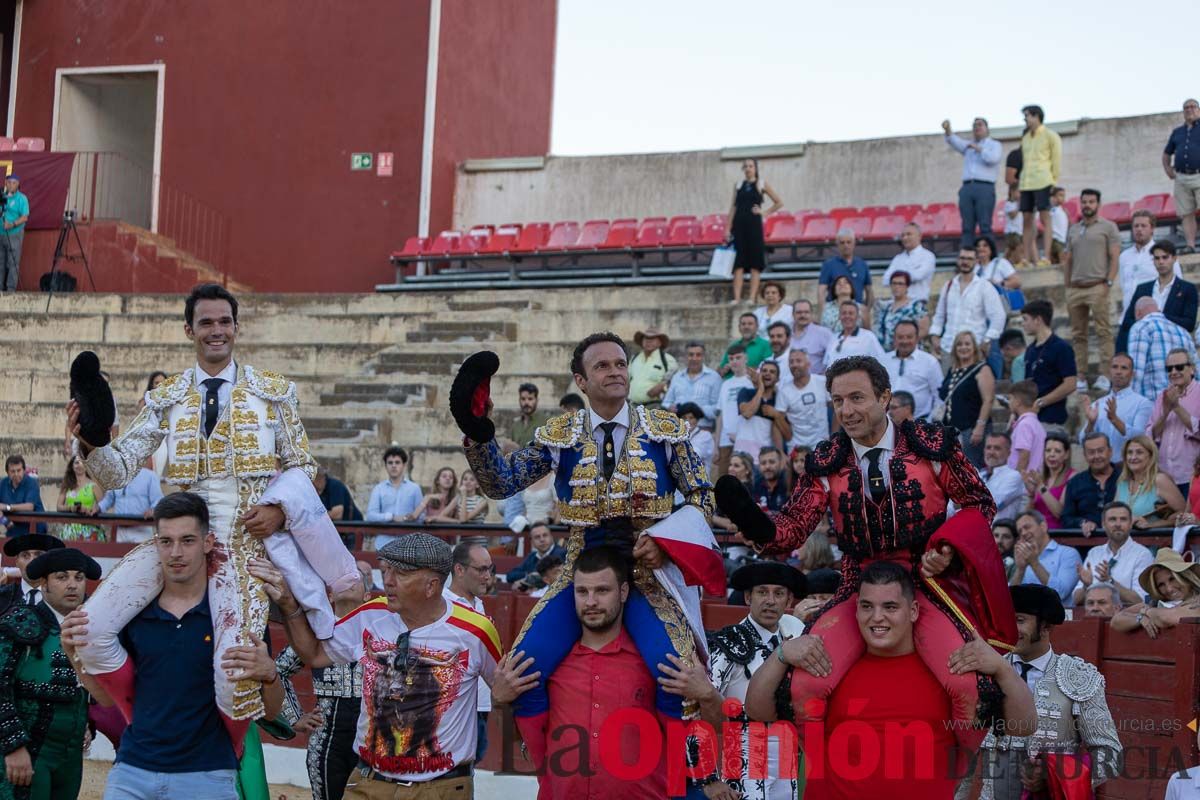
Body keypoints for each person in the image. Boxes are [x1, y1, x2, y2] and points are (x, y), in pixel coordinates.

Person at [66, 284, 355, 741]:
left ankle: (227, 758)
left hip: (244, 546)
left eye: (224, 322)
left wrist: (279, 510)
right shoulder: (167, 397)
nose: (216, 331)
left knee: (234, 672)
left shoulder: (273, 392)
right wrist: (91, 441)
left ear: (236, 328)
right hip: (179, 537)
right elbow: (118, 470)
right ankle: (146, 725)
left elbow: (303, 467)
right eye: (206, 323)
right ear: (189, 330)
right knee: (90, 631)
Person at [720, 355, 1018, 757]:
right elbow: (792, 530)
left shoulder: (931, 446)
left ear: (884, 396)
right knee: (807, 685)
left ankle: (955, 778)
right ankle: (827, 776)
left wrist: (945, 549)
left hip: (925, 584)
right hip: (858, 586)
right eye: (838, 400)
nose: (846, 410)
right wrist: (757, 527)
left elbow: (978, 504)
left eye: (857, 398)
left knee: (967, 687)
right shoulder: (827, 461)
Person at [452, 333, 725, 757]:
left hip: (648, 572)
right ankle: (550, 769)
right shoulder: (559, 434)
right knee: (524, 668)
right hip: (582, 570)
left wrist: (666, 543)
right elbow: (501, 483)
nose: (615, 371)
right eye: (602, 366)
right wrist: (477, 432)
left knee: (677, 675)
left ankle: (677, 778)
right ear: (581, 380)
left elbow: (702, 496)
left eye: (620, 363)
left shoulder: (666, 429)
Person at [745, 561, 1035, 800]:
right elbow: (757, 711)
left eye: (890, 607)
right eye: (867, 606)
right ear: (855, 609)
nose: (877, 617)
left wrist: (1002, 668)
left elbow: (1024, 727)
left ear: (913, 611)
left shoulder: (949, 672)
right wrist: (780, 654)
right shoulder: (828, 667)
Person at [60, 493, 285, 800]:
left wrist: (270, 674)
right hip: (133, 771)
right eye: (166, 541)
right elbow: (107, 698)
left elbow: (271, 710)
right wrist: (74, 654)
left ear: (207, 543)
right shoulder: (133, 615)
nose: (175, 552)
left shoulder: (235, 618)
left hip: (207, 776)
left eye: (187, 540)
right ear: (156, 544)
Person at [260, 533, 499, 797]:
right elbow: (315, 655)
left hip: (440, 787)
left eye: (401, 574)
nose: (388, 581)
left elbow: (501, 689)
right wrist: (288, 605)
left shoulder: (475, 630)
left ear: (431, 585)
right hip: (369, 782)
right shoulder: (371, 614)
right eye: (386, 571)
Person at [491, 546, 675, 799]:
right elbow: (515, 739)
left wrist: (708, 696)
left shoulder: (652, 663)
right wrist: (499, 701)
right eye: (582, 591)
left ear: (623, 592)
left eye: (602, 590)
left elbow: (689, 733)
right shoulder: (548, 664)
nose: (591, 602)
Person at [658, 562, 806, 800]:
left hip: (786, 753)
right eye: (762, 592)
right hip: (744, 752)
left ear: (789, 601)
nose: (770, 600)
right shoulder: (730, 642)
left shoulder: (792, 639)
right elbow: (697, 706)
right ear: (748, 597)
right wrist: (708, 778)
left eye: (778, 594)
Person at [979, 584, 1121, 800]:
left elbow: (1110, 755)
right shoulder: (984, 672)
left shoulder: (1078, 676)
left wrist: (1054, 775)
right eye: (1006, 619)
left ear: (1045, 627)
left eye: (1019, 620)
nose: (1008, 628)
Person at [0, 548, 98, 800]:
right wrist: (13, 747)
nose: (72, 585)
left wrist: (89, 723)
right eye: (62, 577)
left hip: (70, 754)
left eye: (78, 577)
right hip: (29, 752)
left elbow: (93, 689)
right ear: (44, 583)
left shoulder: (95, 626)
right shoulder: (18, 622)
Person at [275, 574, 368, 800]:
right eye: (341, 580)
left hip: (372, 739)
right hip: (327, 740)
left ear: (367, 596)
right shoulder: (317, 632)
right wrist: (294, 716)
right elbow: (278, 671)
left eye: (354, 580)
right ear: (330, 595)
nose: (347, 583)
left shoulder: (382, 631)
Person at [1062, 188, 1121, 391]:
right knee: (1078, 335)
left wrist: (1109, 283)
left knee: (1104, 332)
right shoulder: (1073, 229)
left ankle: (1106, 374)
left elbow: (1114, 257)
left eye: (1091, 202)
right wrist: (1067, 285)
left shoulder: (1108, 227)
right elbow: (1067, 259)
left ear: (1098, 204)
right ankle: (1081, 376)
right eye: (1084, 201)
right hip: (1076, 289)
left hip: (1098, 286)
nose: (1087, 205)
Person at [443, 543, 495, 763]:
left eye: (490, 569)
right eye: (481, 570)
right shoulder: (442, 605)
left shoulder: (478, 605)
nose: (488, 577)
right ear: (459, 570)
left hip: (479, 704)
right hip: (453, 709)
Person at [1117, 239, 1198, 354]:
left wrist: (1159, 316)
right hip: (1145, 348)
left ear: (1174, 259)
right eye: (1157, 258)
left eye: (1165, 257)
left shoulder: (1187, 289)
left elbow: (1189, 324)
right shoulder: (1142, 289)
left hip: (1174, 348)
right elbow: (1128, 321)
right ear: (1153, 261)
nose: (1161, 262)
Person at [930, 246, 1006, 368]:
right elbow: (939, 314)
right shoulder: (948, 285)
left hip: (974, 349)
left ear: (976, 261)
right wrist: (935, 335)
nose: (965, 262)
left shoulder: (984, 286)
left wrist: (987, 340)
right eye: (962, 258)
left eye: (969, 259)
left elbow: (998, 316)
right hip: (948, 348)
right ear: (958, 260)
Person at [1071, 501, 1153, 608]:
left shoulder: (1142, 554)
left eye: (1123, 519)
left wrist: (1110, 581)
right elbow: (1076, 601)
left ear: (1130, 524)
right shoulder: (1094, 553)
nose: (1118, 524)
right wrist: (1086, 586)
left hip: (1125, 619)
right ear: (1104, 524)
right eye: (1112, 519)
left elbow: (1141, 601)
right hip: (1094, 616)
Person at [725, 158, 783, 304]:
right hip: (738, 227)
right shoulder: (738, 185)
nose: (748, 168)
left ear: (755, 168)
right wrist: (727, 228)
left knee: (755, 264)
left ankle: (751, 298)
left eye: (751, 166)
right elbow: (733, 207)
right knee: (738, 264)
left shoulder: (761, 183)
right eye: (745, 166)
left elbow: (779, 202)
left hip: (754, 227)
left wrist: (764, 212)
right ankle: (736, 298)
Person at [1080, 353, 1153, 464]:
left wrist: (1115, 420)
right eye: (1115, 367)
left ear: (1132, 374)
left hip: (1128, 468)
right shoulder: (1098, 404)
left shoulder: (1142, 403)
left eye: (1124, 368)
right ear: (1110, 371)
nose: (1118, 372)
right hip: (1101, 468)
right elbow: (1082, 441)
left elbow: (1140, 437)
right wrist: (1091, 423)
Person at [937, 331, 995, 468]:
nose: (963, 347)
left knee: (971, 468)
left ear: (974, 347)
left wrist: (980, 426)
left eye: (967, 344)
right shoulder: (953, 370)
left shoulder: (982, 369)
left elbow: (988, 400)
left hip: (971, 429)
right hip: (952, 431)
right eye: (959, 344)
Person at [1111, 549, 1200, 638]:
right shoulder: (1156, 603)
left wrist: (1146, 611)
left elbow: (1165, 618)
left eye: (1172, 579)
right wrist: (1140, 618)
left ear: (1185, 577)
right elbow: (1116, 620)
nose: (1169, 589)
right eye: (1161, 585)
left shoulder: (1197, 601)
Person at [943, 117, 1003, 247]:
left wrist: (978, 148)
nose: (977, 128)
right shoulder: (968, 146)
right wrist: (948, 129)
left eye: (980, 125)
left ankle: (989, 256)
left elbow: (993, 159)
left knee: (985, 225)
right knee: (967, 226)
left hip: (984, 187)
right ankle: (966, 256)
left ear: (987, 129)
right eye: (974, 126)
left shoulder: (994, 145)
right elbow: (954, 141)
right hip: (968, 187)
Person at [1149, 348, 1200, 492]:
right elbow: (1151, 434)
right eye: (1169, 368)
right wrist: (1165, 413)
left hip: (1193, 476)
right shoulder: (1162, 396)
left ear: (1192, 369)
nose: (1173, 372)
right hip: (1165, 477)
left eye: (1179, 367)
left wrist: (1176, 407)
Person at [1019, 300, 1077, 426]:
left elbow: (1070, 384)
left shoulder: (1061, 347)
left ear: (1038, 320)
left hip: (1052, 418)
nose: (1023, 324)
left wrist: (1041, 402)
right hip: (1031, 417)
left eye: (1025, 319)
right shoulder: (1030, 349)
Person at [1018, 105, 1063, 267]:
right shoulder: (1025, 138)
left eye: (1027, 116)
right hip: (1026, 183)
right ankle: (1026, 259)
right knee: (1026, 220)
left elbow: (1056, 160)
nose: (1025, 120)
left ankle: (1046, 257)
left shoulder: (1051, 136)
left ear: (1037, 116)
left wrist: (1054, 182)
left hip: (1043, 181)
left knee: (1045, 219)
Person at [1010, 509, 1083, 607]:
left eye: (1027, 527)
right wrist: (1020, 569)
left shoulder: (1068, 554)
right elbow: (1009, 599)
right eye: (1020, 531)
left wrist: (1035, 564)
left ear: (1043, 526)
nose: (1023, 533)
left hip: (1061, 620)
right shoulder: (1024, 559)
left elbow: (1060, 594)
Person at [1128, 297, 1196, 401]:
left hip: (1154, 405)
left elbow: (1135, 371)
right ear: (1158, 310)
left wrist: (1130, 403)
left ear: (1137, 313)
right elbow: (1196, 371)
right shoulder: (1184, 332)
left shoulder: (1140, 328)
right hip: (1186, 405)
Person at [1118, 211, 1181, 318]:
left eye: (1143, 226)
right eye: (1136, 226)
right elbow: (1123, 284)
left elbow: (1177, 284)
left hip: (1155, 316)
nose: (1139, 229)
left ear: (1152, 229)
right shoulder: (1124, 256)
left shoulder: (1164, 253)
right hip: (1128, 316)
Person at [1114, 435, 1186, 528]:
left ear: (1151, 456)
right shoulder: (1122, 482)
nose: (1133, 457)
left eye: (1139, 452)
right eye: (1129, 453)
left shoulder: (1160, 480)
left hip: (1155, 539)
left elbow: (1184, 514)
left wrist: (1151, 525)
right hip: (1125, 540)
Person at [1059, 433, 1120, 535]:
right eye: (1091, 452)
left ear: (1110, 451)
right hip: (1086, 544)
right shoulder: (1075, 482)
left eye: (1100, 451)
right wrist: (1083, 523)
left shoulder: (1125, 478)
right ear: (1085, 455)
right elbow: (1066, 518)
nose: (1096, 456)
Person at [1163, 98, 1200, 253]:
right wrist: (1168, 169)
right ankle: (1190, 245)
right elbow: (1166, 154)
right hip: (1181, 178)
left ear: (1198, 110)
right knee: (1186, 213)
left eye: (1193, 107)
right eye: (1186, 107)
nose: (1189, 109)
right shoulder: (1177, 132)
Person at [96, 459, 163, 544]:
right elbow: (109, 499)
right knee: (118, 556)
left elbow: (158, 501)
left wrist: (153, 510)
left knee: (141, 556)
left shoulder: (150, 476)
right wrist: (98, 508)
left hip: (141, 529)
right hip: (120, 529)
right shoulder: (116, 476)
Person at [365, 447, 424, 541]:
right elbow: (370, 516)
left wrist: (410, 518)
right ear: (385, 466)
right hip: (384, 543)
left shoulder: (414, 488)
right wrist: (392, 517)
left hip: (408, 543)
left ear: (404, 465)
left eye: (397, 462)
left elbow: (421, 518)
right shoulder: (379, 488)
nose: (393, 466)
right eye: (390, 463)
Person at [776, 349, 830, 450]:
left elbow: (836, 407)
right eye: (791, 362)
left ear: (808, 364)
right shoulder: (784, 390)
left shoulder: (822, 382)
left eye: (798, 361)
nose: (794, 364)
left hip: (822, 444)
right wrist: (788, 441)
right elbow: (778, 419)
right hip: (796, 448)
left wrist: (833, 435)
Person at [735, 363, 792, 459]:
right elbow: (747, 413)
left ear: (777, 379)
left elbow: (788, 436)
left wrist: (776, 415)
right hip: (742, 457)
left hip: (765, 460)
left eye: (772, 372)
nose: (767, 374)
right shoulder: (746, 392)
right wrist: (760, 388)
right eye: (764, 371)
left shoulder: (779, 401)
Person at [715, 345, 754, 477]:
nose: (734, 361)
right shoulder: (725, 384)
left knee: (746, 479)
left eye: (738, 357)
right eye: (731, 358)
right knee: (725, 479)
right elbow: (720, 415)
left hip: (747, 439)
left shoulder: (752, 382)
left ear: (746, 358)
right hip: (725, 440)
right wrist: (716, 444)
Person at [664, 342, 722, 430]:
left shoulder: (714, 377)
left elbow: (718, 407)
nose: (694, 358)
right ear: (685, 357)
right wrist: (670, 408)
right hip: (678, 429)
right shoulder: (677, 377)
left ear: (703, 357)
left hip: (703, 429)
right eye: (691, 355)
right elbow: (666, 402)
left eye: (698, 355)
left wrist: (700, 410)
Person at [0, 534, 64, 614]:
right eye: (25, 555)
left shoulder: (62, 597)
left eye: (39, 555)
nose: (32, 561)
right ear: (17, 562)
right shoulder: (3, 596)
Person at [1024, 432, 1075, 529]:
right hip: (1037, 533)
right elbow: (1028, 515)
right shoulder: (1041, 478)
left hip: (1059, 534)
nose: (1051, 455)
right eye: (1048, 450)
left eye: (1057, 451)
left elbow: (1060, 513)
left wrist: (1041, 487)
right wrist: (1031, 496)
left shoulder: (1072, 476)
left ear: (1066, 454)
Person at [817, 230, 872, 319]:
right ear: (837, 245)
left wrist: (866, 311)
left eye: (848, 242)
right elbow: (821, 292)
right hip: (834, 314)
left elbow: (869, 292)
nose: (846, 245)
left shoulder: (862, 264)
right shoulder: (828, 265)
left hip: (857, 313)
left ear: (854, 244)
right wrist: (823, 312)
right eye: (842, 243)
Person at [872, 269, 928, 350]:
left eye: (900, 284)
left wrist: (905, 343)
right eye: (894, 283)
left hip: (908, 350)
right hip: (887, 352)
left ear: (907, 286)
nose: (896, 287)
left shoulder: (916, 306)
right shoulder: (885, 306)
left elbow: (924, 330)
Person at [882, 223, 937, 303]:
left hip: (917, 304)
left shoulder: (928, 256)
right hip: (898, 305)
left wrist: (896, 277)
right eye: (903, 235)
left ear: (919, 236)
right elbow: (885, 280)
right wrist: (906, 277)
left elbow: (918, 276)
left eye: (909, 234)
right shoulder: (898, 258)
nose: (905, 238)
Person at [55, 455, 105, 542]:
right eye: (76, 462)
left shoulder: (93, 486)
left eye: (82, 462)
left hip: (89, 528)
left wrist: (91, 509)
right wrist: (71, 508)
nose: (79, 465)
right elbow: (59, 506)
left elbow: (102, 505)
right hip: (70, 530)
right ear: (72, 466)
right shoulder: (67, 485)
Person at [979, 432, 1028, 521]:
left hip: (1000, 532)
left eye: (997, 448)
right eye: (988, 447)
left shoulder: (1014, 476)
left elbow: (993, 503)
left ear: (1008, 452)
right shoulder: (979, 475)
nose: (991, 452)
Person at [825, 300, 885, 365]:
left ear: (858, 317)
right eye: (844, 313)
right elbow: (826, 364)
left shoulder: (868, 337)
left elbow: (882, 360)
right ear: (839, 316)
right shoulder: (833, 338)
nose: (847, 316)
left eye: (851, 313)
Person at [629, 328, 677, 407]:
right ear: (642, 341)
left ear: (659, 342)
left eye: (652, 338)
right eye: (646, 338)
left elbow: (675, 381)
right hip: (633, 405)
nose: (648, 341)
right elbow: (627, 378)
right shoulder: (634, 358)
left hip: (655, 406)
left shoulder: (667, 360)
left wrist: (663, 387)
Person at [1007, 380, 1045, 473]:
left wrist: (1016, 478)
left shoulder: (1024, 425)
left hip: (1023, 482)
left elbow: (1024, 454)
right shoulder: (1035, 423)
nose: (1009, 402)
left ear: (1018, 402)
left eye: (1010, 398)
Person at [0, 457, 44, 537]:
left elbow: (29, 506)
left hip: (34, 529)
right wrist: (4, 521)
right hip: (13, 528)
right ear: (7, 472)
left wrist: (7, 507)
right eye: (12, 471)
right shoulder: (2, 483)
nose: (16, 474)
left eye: (19, 470)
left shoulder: (32, 483)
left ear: (23, 470)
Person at [789, 300, 834, 375]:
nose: (802, 315)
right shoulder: (785, 334)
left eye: (806, 312)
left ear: (811, 314)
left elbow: (832, 358)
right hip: (789, 381)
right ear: (793, 314)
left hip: (816, 382)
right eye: (799, 312)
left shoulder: (824, 333)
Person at [0, 175, 28, 292]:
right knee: (0, 262)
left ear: (18, 184)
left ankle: (10, 290)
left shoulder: (22, 198)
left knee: (13, 263)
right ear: (6, 183)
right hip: (1, 234)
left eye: (14, 183)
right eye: (9, 182)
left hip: (14, 234)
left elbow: (25, 217)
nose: (11, 185)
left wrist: (12, 224)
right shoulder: (2, 197)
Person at [509, 382, 552, 449]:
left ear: (537, 400)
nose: (526, 402)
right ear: (519, 400)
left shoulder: (546, 422)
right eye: (523, 399)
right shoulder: (515, 425)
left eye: (530, 399)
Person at [678, 402, 716, 475]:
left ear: (697, 420)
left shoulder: (705, 436)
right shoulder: (677, 436)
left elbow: (695, 455)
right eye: (684, 418)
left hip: (701, 481)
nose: (687, 421)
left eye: (691, 418)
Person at [751, 447, 788, 512]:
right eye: (763, 463)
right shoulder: (755, 485)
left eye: (772, 462)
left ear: (780, 463)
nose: (767, 466)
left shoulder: (789, 484)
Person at [1003, 184, 1024, 264]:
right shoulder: (1009, 204)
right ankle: (1019, 261)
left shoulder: (1018, 204)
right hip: (1012, 231)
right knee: (1017, 247)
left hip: (1019, 231)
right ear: (1012, 192)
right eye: (1018, 192)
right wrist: (1018, 205)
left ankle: (1007, 261)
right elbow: (1012, 216)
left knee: (1011, 249)